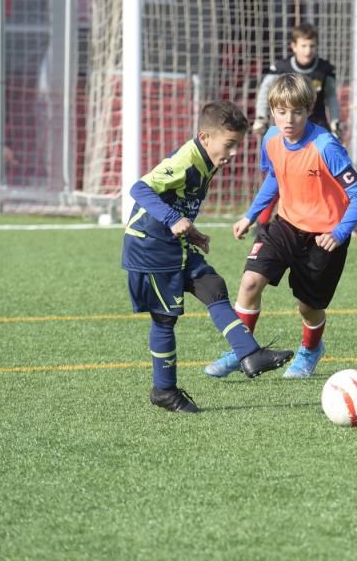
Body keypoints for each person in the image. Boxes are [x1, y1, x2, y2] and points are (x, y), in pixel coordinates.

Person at [122, 100, 294, 413]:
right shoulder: (188, 159)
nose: (233, 154)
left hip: (173, 243)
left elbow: (177, 201)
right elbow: (140, 189)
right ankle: (164, 391)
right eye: (229, 145)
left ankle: (249, 354)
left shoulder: (208, 161)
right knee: (164, 319)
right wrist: (174, 221)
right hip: (148, 246)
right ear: (205, 138)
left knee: (213, 286)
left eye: (238, 146)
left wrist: (192, 232)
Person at [204, 73, 357, 380]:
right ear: (272, 111)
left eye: (296, 111)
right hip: (286, 224)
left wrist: (339, 232)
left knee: (307, 307)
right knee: (251, 282)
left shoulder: (325, 146)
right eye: (281, 112)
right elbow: (276, 177)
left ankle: (311, 350)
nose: (288, 119)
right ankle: (242, 350)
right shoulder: (270, 139)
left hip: (324, 236)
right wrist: (251, 215)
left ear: (308, 110)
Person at [252, 22, 357, 238]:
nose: (308, 50)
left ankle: (351, 223)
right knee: (280, 176)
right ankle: (262, 221)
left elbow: (331, 97)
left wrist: (336, 123)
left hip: (317, 127)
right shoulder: (279, 69)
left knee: (338, 177)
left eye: (312, 46)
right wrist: (261, 118)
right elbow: (264, 92)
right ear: (294, 46)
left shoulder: (324, 70)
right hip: (290, 128)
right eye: (304, 45)